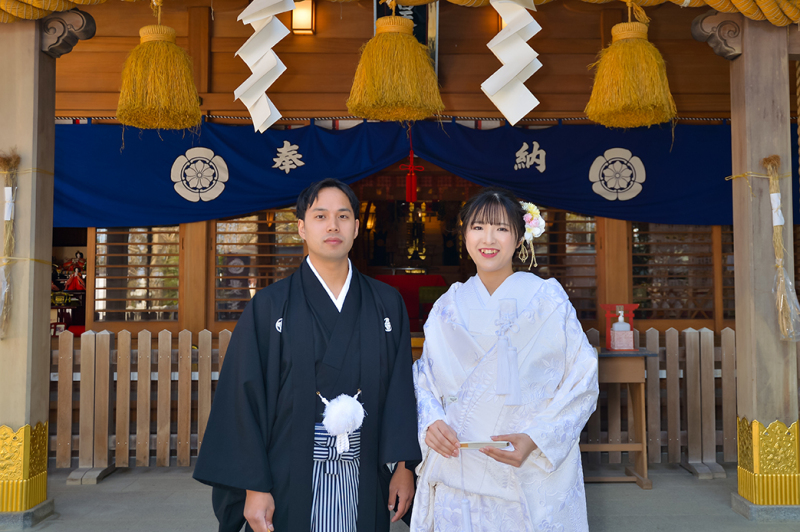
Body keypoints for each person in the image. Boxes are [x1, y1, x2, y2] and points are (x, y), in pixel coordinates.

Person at [194, 179, 421, 532]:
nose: (333, 226)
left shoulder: (385, 303)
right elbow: (243, 398)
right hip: (288, 473)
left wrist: (404, 467)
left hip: (365, 470)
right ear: (301, 227)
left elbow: (401, 393)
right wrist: (255, 486)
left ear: (357, 228)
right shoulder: (269, 307)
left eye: (343, 216)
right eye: (320, 216)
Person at [410, 188, 599, 532]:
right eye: (478, 227)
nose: (489, 238)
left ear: (519, 237)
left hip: (527, 468)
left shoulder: (548, 300)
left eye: (501, 228)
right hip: (460, 467)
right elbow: (425, 380)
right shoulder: (447, 308)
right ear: (464, 233)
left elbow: (582, 378)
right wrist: (431, 422)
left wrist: (537, 437)